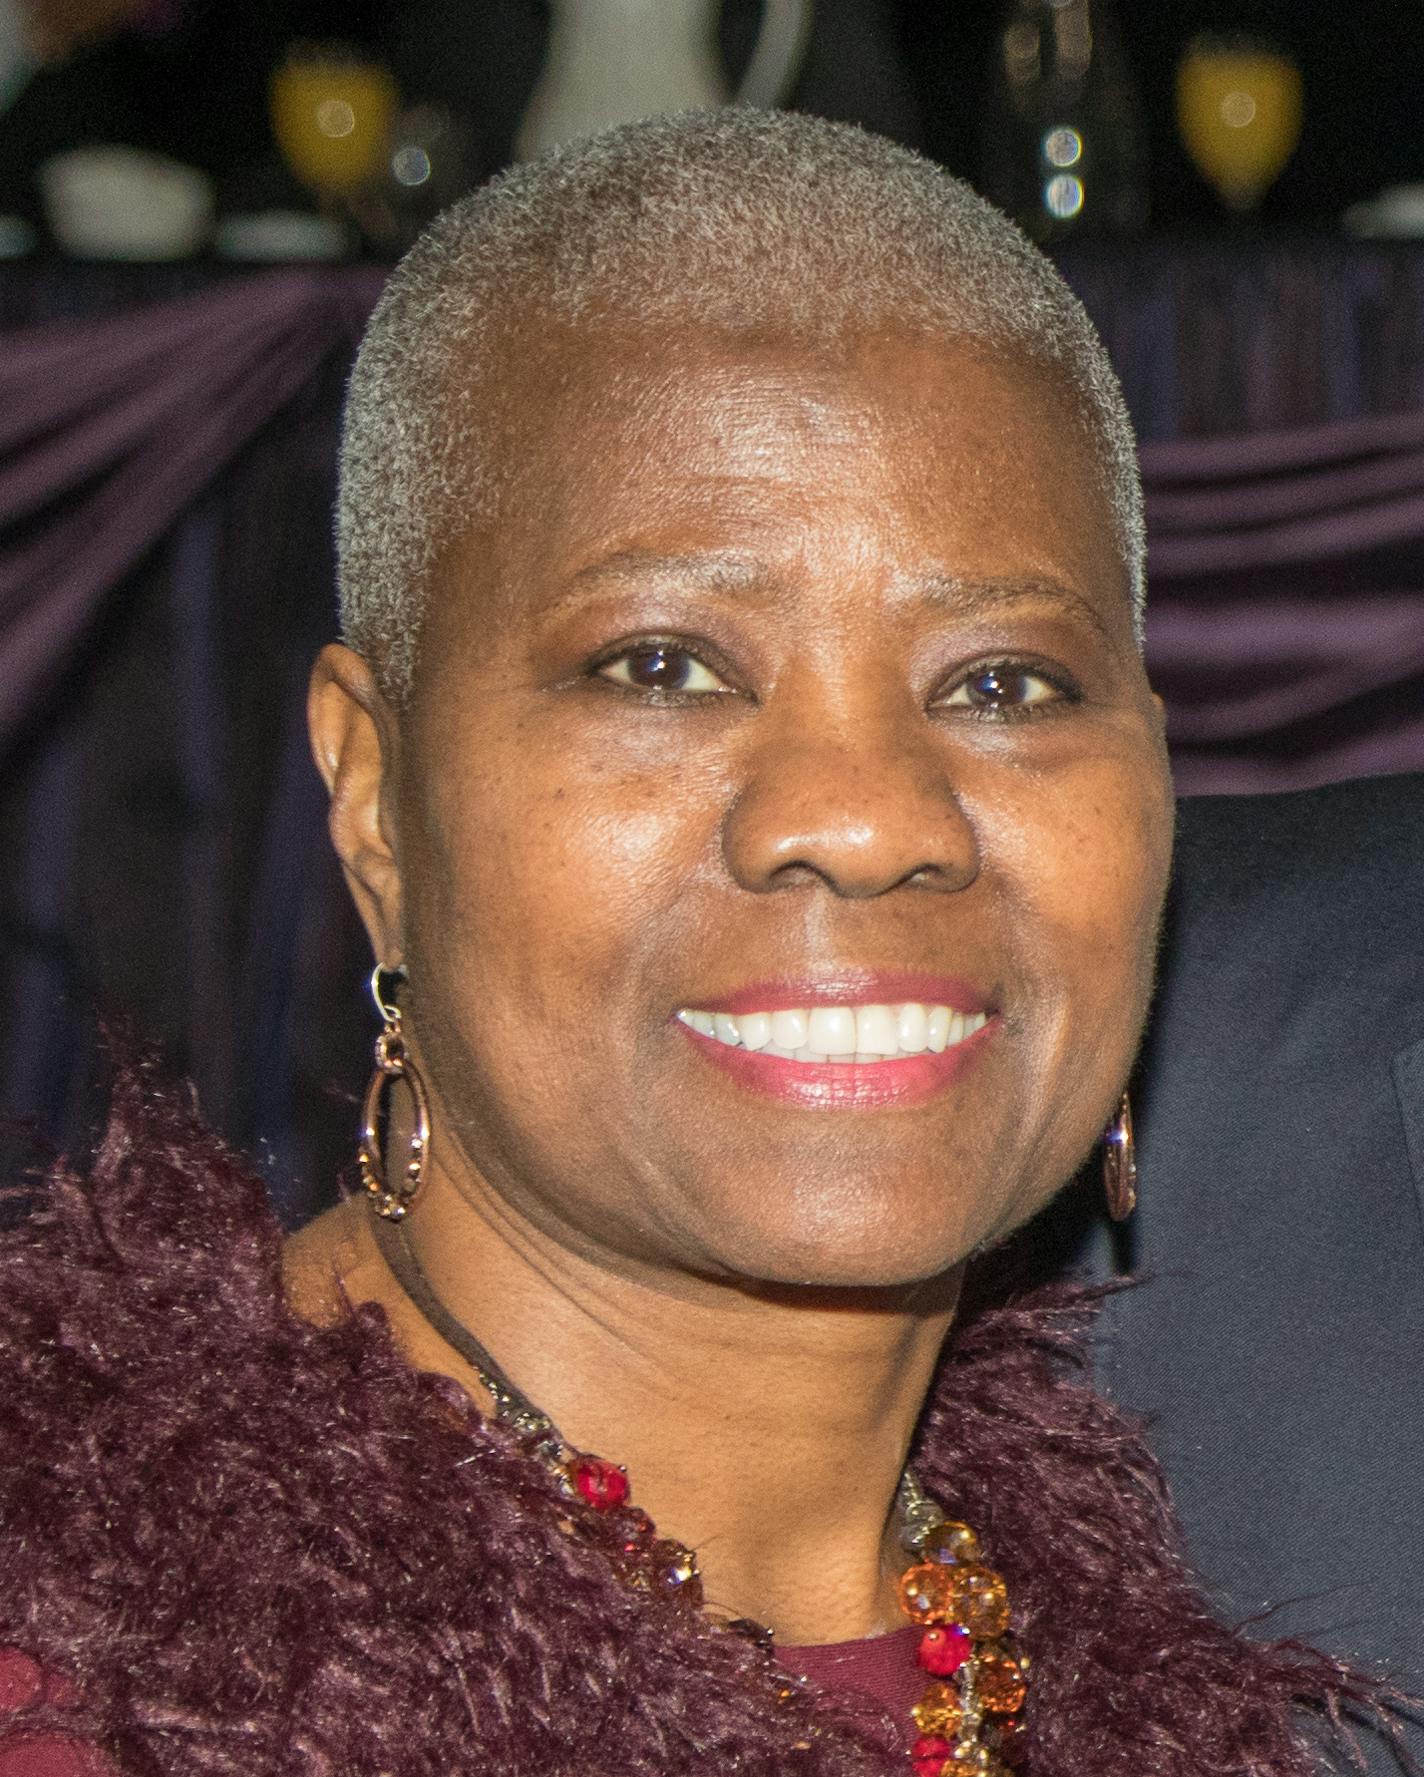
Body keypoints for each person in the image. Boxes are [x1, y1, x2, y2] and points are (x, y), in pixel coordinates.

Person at [0, 110, 1407, 1776]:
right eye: (663, 665)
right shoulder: (108, 1673)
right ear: (376, 797)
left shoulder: (1175, 1642)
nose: (869, 816)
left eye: (1005, 681)